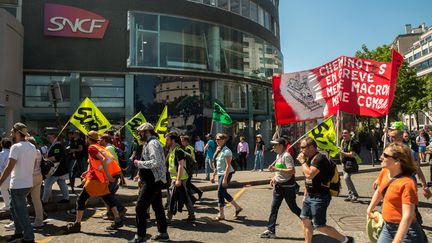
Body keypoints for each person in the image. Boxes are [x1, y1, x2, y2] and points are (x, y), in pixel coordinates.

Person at [65, 131, 124, 234]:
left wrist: (108, 176)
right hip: (100, 178)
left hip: (95, 179)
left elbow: (102, 160)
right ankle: (118, 219)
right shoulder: (99, 147)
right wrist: (87, 172)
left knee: (81, 200)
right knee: (108, 198)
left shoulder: (92, 147)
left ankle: (77, 224)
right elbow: (97, 163)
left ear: (88, 138)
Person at [297, 137, 354, 243]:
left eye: (303, 147)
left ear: (312, 147)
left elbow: (309, 174)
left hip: (320, 196)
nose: (301, 150)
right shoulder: (309, 158)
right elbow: (307, 180)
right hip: (310, 195)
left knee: (319, 226)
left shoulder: (320, 159)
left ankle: (346, 240)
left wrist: (302, 162)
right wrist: (305, 196)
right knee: (305, 221)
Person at [367, 142, 424, 242]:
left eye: (385, 155)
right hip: (387, 228)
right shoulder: (385, 172)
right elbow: (380, 191)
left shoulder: (407, 183)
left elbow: (408, 215)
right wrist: (370, 208)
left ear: (397, 161)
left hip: (407, 232)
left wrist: (397, 240)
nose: (381, 157)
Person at [129, 123, 169, 243]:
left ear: (147, 132)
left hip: (153, 181)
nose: (139, 135)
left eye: (140, 133)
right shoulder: (151, 143)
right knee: (158, 207)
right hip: (153, 180)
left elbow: (156, 162)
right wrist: (139, 174)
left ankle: (141, 236)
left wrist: (139, 164)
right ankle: (163, 233)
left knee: (140, 207)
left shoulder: (152, 143)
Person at [0, 122, 37, 242]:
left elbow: (9, 168)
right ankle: (19, 232)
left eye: (12, 131)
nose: (11, 133)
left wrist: (0, 182)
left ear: (17, 133)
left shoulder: (15, 147)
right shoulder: (32, 147)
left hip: (18, 185)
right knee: (14, 208)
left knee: (21, 213)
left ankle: (28, 237)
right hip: (27, 183)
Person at [260, 138, 301, 239]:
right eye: (273, 145)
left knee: (293, 208)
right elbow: (280, 171)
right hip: (278, 187)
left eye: (275, 145)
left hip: (288, 188)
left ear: (281, 146)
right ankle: (271, 230)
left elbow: (292, 171)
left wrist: (276, 169)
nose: (273, 147)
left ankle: (308, 222)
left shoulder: (287, 156)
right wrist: (274, 177)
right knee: (274, 208)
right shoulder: (278, 155)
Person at [211, 133, 243, 220]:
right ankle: (237, 207)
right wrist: (213, 175)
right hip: (220, 173)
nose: (216, 141)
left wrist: (225, 179)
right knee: (223, 192)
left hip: (227, 173)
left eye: (218, 139)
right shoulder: (219, 150)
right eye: (216, 139)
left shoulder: (227, 151)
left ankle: (221, 214)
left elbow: (228, 166)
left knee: (220, 192)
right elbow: (217, 164)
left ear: (223, 140)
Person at [166, 132, 196, 222]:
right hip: (175, 177)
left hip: (179, 178)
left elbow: (180, 165)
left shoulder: (178, 150)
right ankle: (192, 215)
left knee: (172, 197)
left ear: (173, 140)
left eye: (167, 139)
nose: (166, 141)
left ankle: (168, 217)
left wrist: (178, 180)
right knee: (184, 197)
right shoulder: (172, 149)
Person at [99, 134, 127, 221]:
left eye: (100, 140)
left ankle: (120, 209)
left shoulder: (108, 149)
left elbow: (108, 162)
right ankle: (111, 212)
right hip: (114, 173)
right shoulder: (111, 147)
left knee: (107, 195)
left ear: (105, 140)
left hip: (112, 174)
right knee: (109, 194)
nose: (99, 141)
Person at [42, 132, 70, 204]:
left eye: (50, 137)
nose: (49, 139)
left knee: (48, 183)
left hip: (56, 169)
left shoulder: (57, 146)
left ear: (55, 137)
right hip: (60, 169)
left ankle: (44, 201)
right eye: (48, 137)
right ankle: (66, 198)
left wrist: (46, 158)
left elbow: (56, 157)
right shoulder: (55, 145)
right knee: (61, 183)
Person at [27, 137, 45, 228]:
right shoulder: (38, 151)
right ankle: (39, 221)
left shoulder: (30, 152)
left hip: (30, 178)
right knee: (37, 200)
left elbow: (31, 166)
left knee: (19, 200)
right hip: (39, 177)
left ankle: (18, 223)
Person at [340, 129, 361, 202]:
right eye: (343, 133)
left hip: (351, 163)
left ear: (349, 134)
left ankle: (354, 194)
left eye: (345, 133)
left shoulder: (354, 143)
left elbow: (353, 155)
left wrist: (342, 153)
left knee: (346, 178)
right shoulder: (343, 141)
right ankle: (350, 194)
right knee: (346, 179)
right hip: (344, 163)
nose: (344, 135)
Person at [181, 135, 203, 200]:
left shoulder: (187, 148)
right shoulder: (190, 147)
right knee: (188, 184)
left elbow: (188, 160)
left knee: (187, 184)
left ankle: (191, 198)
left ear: (186, 141)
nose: (181, 142)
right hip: (190, 167)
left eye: (182, 141)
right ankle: (197, 193)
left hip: (189, 168)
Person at [0, 138, 12, 211]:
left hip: (4, 175)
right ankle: (10, 204)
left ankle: (7, 205)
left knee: (3, 189)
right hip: (13, 175)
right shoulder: (12, 153)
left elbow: (0, 167)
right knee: (12, 191)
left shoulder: (1, 154)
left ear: (1, 144)